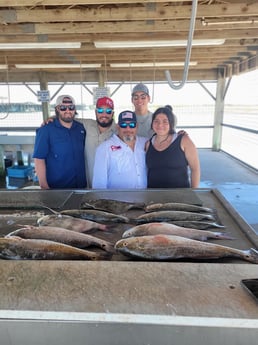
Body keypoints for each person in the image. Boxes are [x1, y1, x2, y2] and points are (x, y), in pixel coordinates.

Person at [33, 95, 87, 189]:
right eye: (63, 107)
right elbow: (39, 159)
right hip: (57, 189)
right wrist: (44, 187)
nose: (67, 110)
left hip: (81, 187)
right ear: (57, 109)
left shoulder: (81, 128)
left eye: (71, 107)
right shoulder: (45, 130)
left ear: (75, 109)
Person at [145, 106, 200, 188]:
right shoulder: (148, 144)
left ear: (171, 124)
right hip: (153, 194)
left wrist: (193, 193)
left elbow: (195, 169)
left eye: (165, 122)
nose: (160, 125)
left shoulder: (183, 140)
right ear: (152, 123)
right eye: (156, 121)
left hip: (180, 195)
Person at [92, 110, 147, 189]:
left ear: (137, 126)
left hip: (144, 199)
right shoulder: (104, 148)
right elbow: (99, 183)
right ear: (117, 127)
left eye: (132, 125)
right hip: (116, 200)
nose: (128, 129)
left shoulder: (145, 143)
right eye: (123, 125)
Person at [82, 96, 117, 187]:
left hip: (112, 187)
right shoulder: (88, 124)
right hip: (90, 185)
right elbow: (68, 117)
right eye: (100, 111)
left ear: (113, 114)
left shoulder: (119, 131)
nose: (104, 115)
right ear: (95, 112)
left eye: (108, 111)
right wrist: (51, 118)